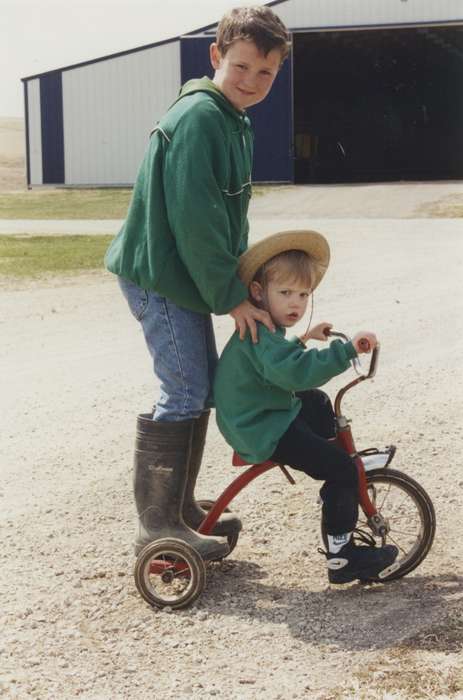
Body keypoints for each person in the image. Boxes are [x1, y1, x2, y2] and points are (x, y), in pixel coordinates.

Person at [104, 7, 290, 560]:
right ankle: (157, 525)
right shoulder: (201, 118)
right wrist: (231, 298)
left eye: (266, 73)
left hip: (181, 274)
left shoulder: (234, 119)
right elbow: (197, 221)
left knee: (199, 386)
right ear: (216, 56)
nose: (252, 82)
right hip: (159, 275)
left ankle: (180, 507)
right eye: (242, 67)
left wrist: (247, 278)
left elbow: (231, 220)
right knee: (183, 389)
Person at [213, 229, 399, 583]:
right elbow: (296, 372)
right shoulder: (260, 336)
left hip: (258, 413)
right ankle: (342, 558)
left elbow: (277, 362)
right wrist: (346, 351)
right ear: (257, 292)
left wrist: (303, 337)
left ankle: (331, 465)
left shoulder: (265, 329)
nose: (295, 303)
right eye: (285, 293)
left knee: (315, 402)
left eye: (303, 294)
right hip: (261, 427)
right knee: (343, 470)